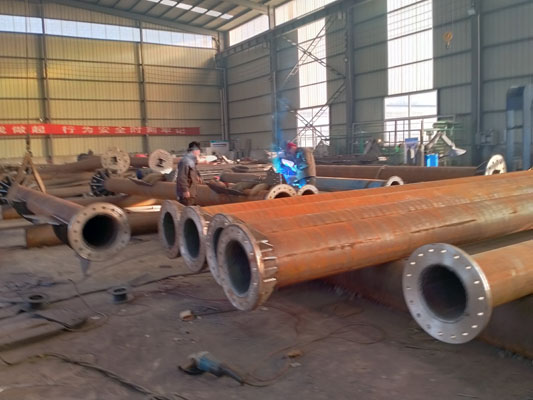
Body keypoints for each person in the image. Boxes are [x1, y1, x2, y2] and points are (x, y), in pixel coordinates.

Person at [176, 141, 203, 206]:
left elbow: (194, 171)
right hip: (187, 193)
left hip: (192, 191)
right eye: (199, 151)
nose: (199, 153)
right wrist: (185, 190)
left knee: (191, 208)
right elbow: (181, 177)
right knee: (187, 209)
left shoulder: (191, 161)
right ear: (195, 150)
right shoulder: (185, 161)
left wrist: (198, 177)